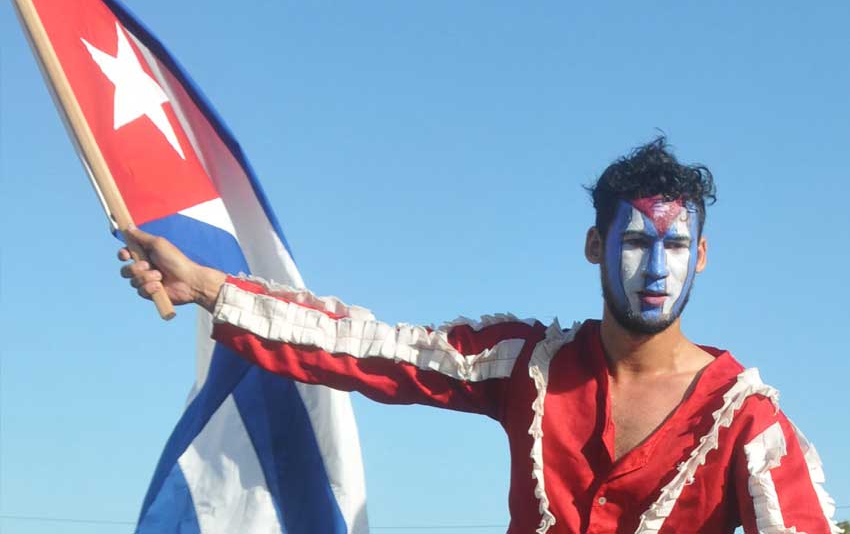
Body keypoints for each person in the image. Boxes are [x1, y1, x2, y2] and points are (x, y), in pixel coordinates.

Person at [120, 138, 840, 534]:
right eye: (635, 242)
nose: (657, 268)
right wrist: (209, 287)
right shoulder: (528, 364)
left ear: (702, 255)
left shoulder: (748, 424)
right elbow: (371, 348)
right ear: (595, 244)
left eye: (676, 245)